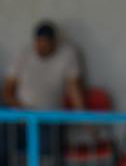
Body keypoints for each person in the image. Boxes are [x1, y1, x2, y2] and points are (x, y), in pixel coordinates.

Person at [3, 21, 85, 163]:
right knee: (4, 138)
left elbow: (74, 90)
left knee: (45, 148)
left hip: (49, 121)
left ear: (54, 42)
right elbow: (7, 92)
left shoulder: (67, 54)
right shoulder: (24, 55)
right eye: (39, 42)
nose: (41, 46)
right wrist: (23, 109)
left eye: (46, 43)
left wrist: (86, 119)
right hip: (21, 120)